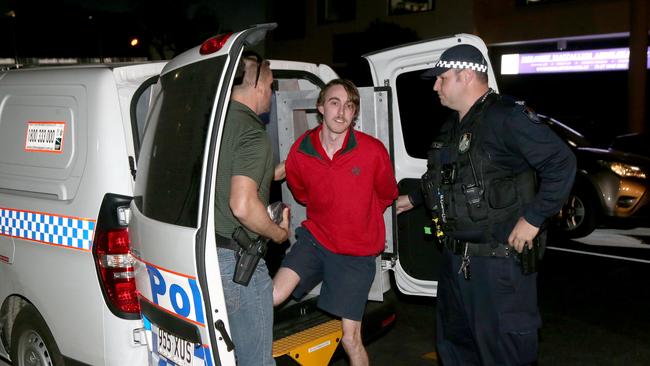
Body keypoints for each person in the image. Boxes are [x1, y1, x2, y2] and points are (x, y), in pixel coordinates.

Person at [396, 44, 576, 365]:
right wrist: (411, 198)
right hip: (456, 264)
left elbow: (561, 162)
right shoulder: (452, 127)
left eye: (441, 77)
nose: (436, 85)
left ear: (465, 75)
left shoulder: (505, 117)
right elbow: (443, 178)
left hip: (498, 266)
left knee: (504, 355)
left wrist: (533, 218)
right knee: (455, 350)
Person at [273, 79, 398, 366]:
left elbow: (387, 194)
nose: (341, 112)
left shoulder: (372, 151)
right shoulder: (302, 150)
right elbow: (301, 194)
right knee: (273, 295)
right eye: (334, 103)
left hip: (356, 254)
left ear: (355, 113)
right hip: (316, 240)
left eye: (349, 106)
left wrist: (359, 218)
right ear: (320, 107)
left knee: (351, 339)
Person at [214, 51, 290, 366]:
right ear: (257, 85)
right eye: (271, 85)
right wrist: (277, 233)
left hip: (210, 255)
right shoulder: (254, 135)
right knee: (256, 361)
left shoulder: (213, 126)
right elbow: (243, 205)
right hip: (239, 265)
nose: (272, 94)